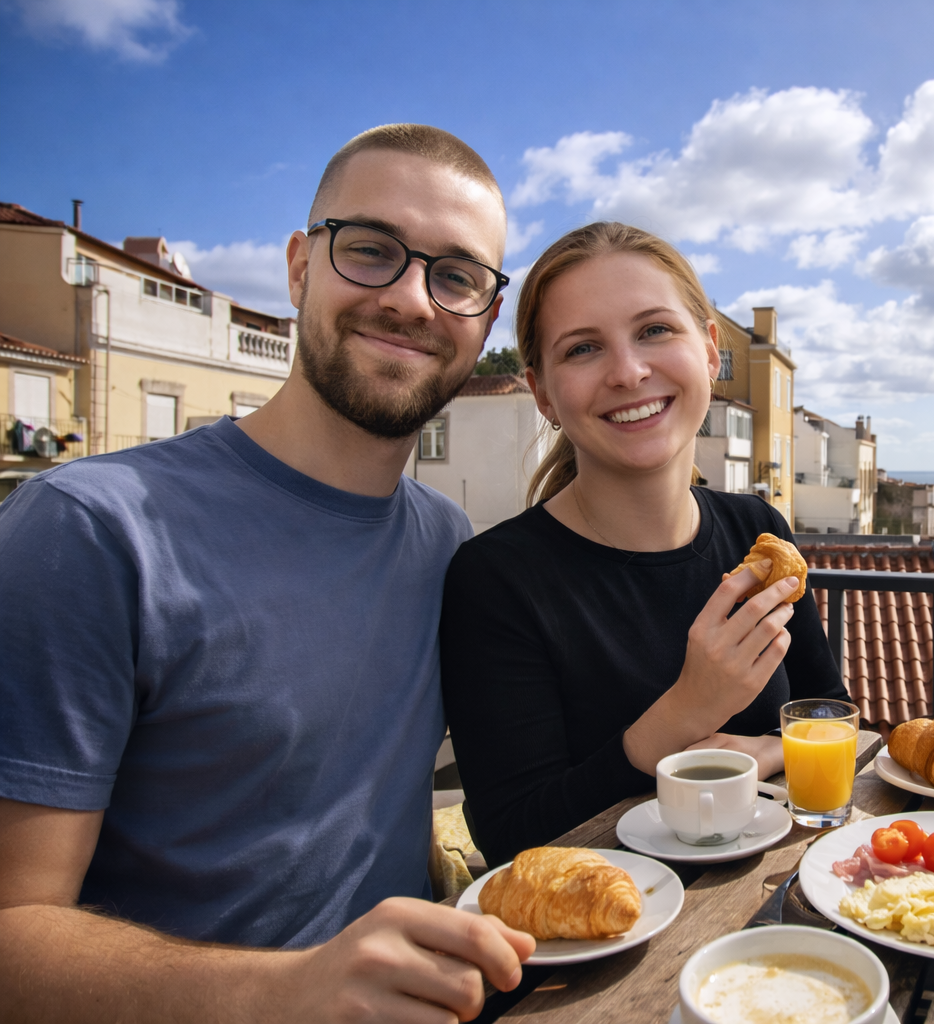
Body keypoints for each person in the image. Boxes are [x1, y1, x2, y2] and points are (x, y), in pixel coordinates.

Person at [0, 124, 535, 1022]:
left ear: (484, 321)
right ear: (298, 268)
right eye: (370, 251)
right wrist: (286, 992)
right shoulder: (91, 531)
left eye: (457, 277)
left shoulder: (444, 541)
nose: (411, 299)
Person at [440, 222, 849, 865]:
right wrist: (685, 713)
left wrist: (765, 752)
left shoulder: (757, 534)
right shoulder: (496, 579)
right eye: (582, 349)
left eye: (655, 330)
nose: (629, 372)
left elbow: (832, 719)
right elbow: (510, 838)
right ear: (543, 391)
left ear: (710, 351)